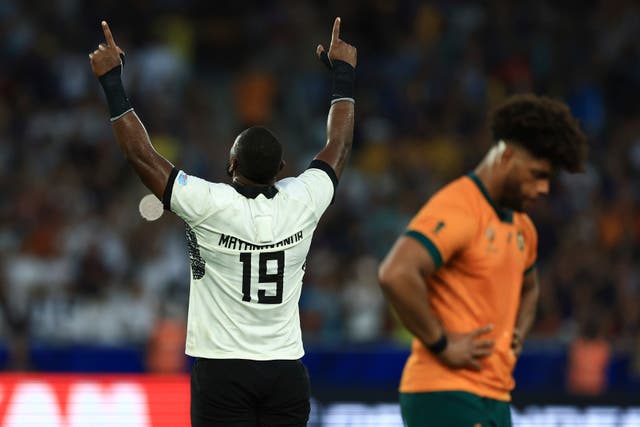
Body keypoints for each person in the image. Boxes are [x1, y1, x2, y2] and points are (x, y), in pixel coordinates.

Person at [89, 17, 357, 427]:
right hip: (285, 367)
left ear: (231, 165)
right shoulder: (302, 199)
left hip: (223, 370)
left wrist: (111, 83)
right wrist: (344, 76)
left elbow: (143, 156)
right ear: (282, 169)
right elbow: (337, 146)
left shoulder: (210, 203)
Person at [378, 94, 587, 427]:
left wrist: (518, 330)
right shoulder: (459, 208)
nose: (545, 188)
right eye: (537, 174)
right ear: (506, 156)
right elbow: (395, 273)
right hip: (445, 393)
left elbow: (530, 287)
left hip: (495, 397)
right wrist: (441, 342)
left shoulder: (523, 227)